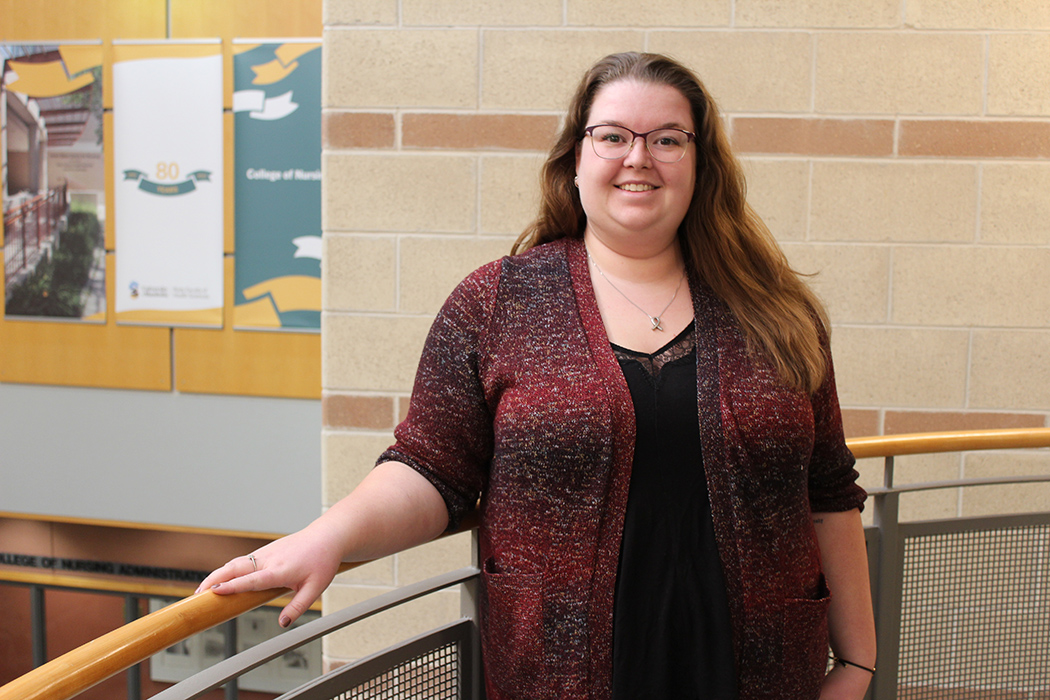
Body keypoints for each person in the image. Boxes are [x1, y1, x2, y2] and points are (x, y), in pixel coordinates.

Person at [198, 52, 876, 700]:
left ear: (702, 166)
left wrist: (859, 659)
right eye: (612, 136)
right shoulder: (497, 304)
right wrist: (330, 536)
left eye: (669, 139)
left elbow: (828, 491)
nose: (639, 157)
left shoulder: (777, 313)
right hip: (557, 676)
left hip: (762, 676)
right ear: (575, 161)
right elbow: (431, 467)